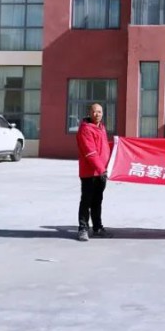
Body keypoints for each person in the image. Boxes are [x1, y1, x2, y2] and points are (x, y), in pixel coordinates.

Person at [75, 103, 113, 242]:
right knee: (86, 200)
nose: (97, 114)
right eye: (94, 111)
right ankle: (83, 228)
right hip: (90, 172)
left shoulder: (101, 128)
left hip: (101, 172)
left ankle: (97, 227)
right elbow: (90, 152)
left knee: (97, 201)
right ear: (89, 113)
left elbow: (103, 147)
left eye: (100, 112)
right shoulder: (85, 129)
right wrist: (101, 169)